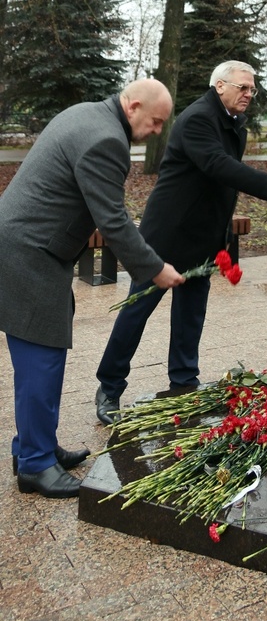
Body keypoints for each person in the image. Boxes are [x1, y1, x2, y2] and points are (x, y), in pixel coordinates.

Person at [0, 79, 182, 498]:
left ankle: (35, 445)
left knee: (44, 356)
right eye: (155, 122)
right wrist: (154, 269)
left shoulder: (87, 112)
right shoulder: (106, 139)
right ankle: (34, 466)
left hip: (32, 248)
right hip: (30, 254)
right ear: (133, 106)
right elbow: (113, 219)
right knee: (40, 361)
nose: (157, 131)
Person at [95, 61, 267, 422]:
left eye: (252, 89)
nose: (249, 94)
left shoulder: (234, 123)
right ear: (219, 86)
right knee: (136, 312)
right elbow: (217, 164)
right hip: (168, 236)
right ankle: (109, 388)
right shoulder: (198, 118)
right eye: (243, 87)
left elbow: (221, 182)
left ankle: (184, 381)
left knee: (191, 314)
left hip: (203, 237)